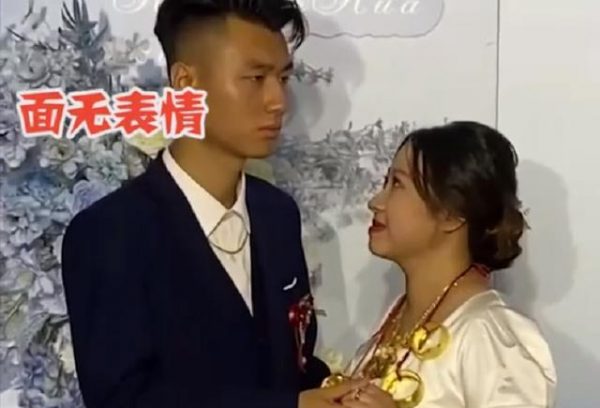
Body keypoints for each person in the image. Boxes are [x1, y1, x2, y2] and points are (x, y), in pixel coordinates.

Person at [60, 0, 367, 406]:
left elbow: (292, 364)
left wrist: (345, 394)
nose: (278, 100)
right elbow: (123, 398)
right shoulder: (110, 232)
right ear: (185, 82)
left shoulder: (276, 214)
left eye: (283, 78)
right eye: (256, 78)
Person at [324, 121, 557, 408]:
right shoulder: (389, 330)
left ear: (451, 214)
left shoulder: (488, 333)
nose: (376, 202)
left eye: (397, 184)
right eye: (386, 183)